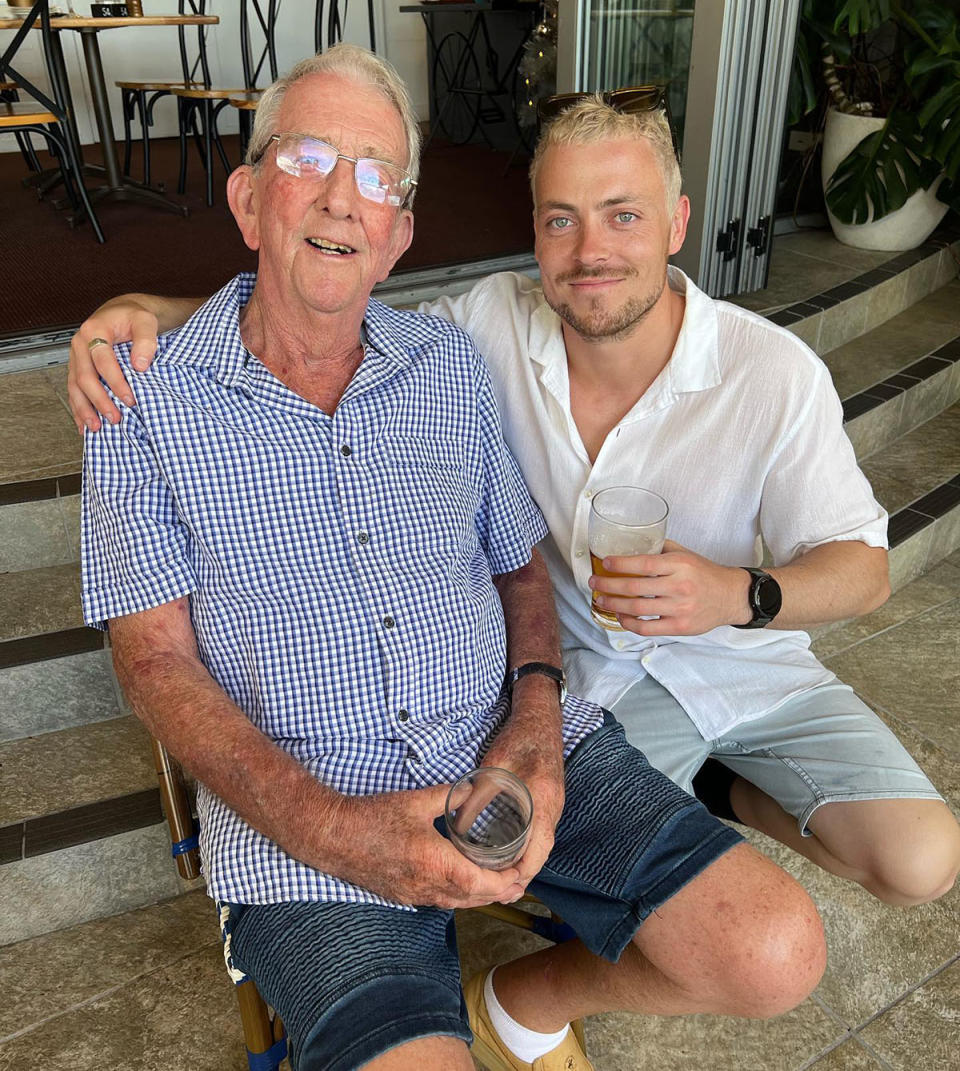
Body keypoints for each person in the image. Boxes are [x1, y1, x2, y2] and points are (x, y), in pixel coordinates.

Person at [75, 47, 827, 1071]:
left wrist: (535, 735)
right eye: (310, 157)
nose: (346, 198)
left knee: (776, 951)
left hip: (513, 748)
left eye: (379, 175)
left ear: (398, 239)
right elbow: (152, 661)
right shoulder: (141, 402)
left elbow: (520, 569)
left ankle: (516, 1003)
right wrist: (332, 827)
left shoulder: (446, 366)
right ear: (250, 200)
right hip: (306, 827)